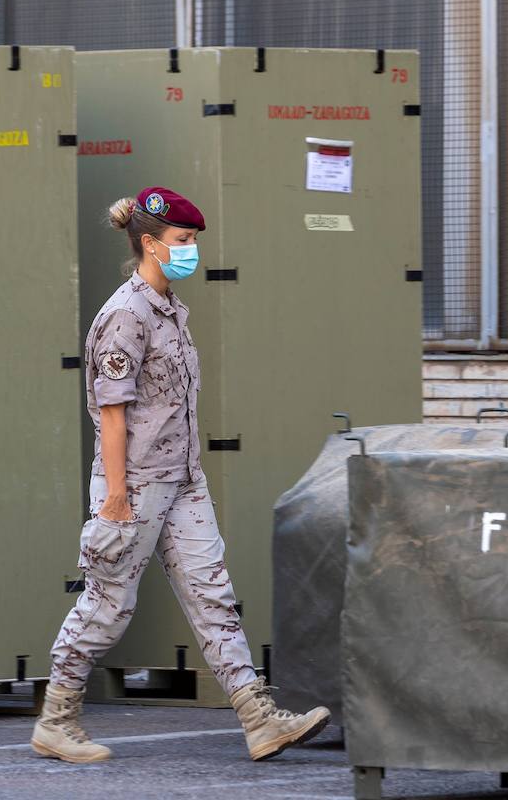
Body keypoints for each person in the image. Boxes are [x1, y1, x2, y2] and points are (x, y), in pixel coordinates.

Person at [32, 186, 331, 764]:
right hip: (136, 484)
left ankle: (258, 718)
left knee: (213, 593)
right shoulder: (126, 315)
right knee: (106, 604)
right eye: (182, 241)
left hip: (182, 478)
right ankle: (56, 719)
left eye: (193, 240)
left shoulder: (167, 309)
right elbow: (111, 417)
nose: (191, 250)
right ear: (150, 244)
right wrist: (116, 498)